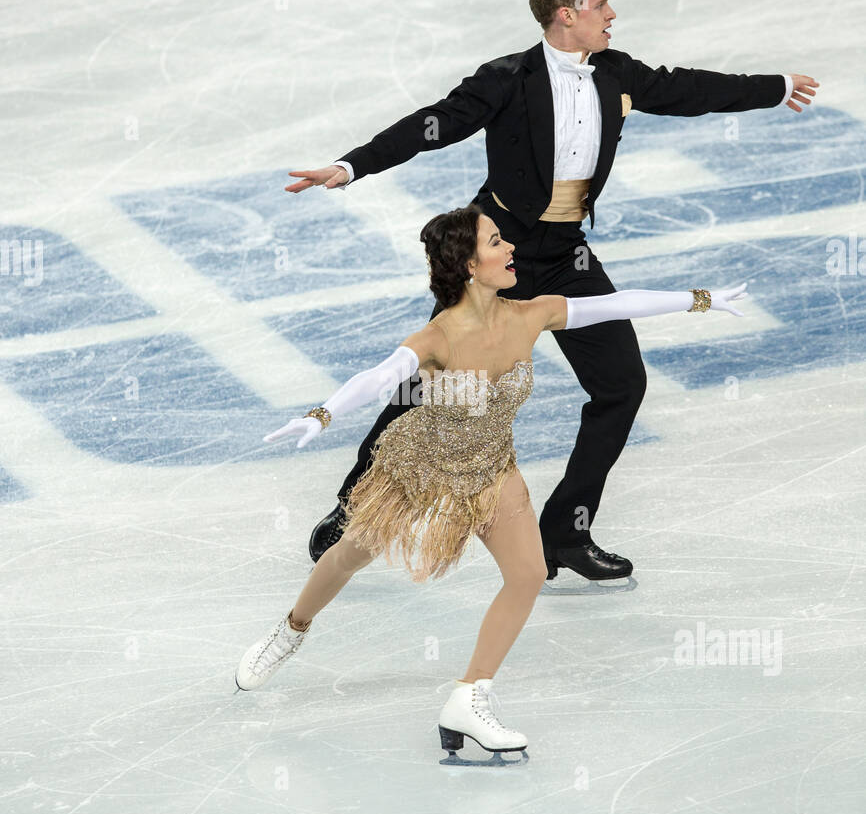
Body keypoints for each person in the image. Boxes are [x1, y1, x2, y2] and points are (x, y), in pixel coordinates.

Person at [285, 0, 817, 583]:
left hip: (567, 253)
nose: (612, 15)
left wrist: (774, 87)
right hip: (497, 253)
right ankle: (354, 506)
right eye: (601, 5)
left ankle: (566, 530)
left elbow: (689, 90)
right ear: (569, 14)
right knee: (429, 381)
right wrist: (350, 167)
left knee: (621, 385)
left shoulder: (616, 72)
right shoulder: (507, 78)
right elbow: (431, 126)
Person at [236, 204, 748, 765]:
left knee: (528, 574)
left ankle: (469, 695)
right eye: (498, 242)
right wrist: (322, 414)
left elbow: (615, 304)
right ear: (468, 265)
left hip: (491, 468)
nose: (512, 251)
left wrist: (701, 299)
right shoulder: (436, 336)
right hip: (421, 464)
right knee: (349, 555)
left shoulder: (531, 314)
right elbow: (380, 376)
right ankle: (290, 630)